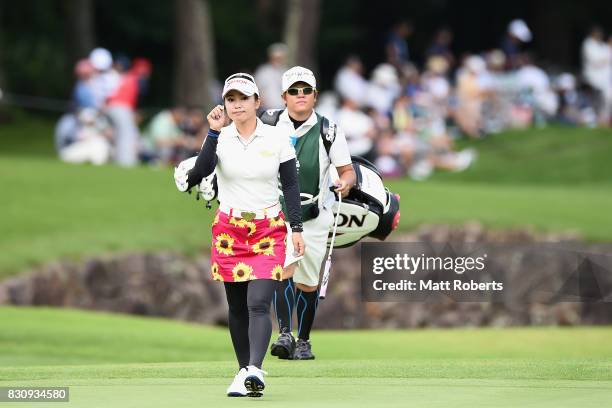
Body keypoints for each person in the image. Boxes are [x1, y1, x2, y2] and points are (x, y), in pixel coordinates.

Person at [174, 73, 305, 397]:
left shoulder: (276, 139)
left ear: (257, 102)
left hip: (268, 230)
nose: (236, 105)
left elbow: (290, 186)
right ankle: (243, 372)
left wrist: (297, 228)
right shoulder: (221, 137)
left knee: (258, 302)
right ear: (224, 104)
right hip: (230, 231)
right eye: (230, 99)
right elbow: (201, 171)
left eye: (243, 99)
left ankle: (255, 370)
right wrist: (213, 133)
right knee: (236, 307)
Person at [265, 66, 356, 360]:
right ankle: (284, 334)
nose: (300, 96)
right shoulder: (268, 123)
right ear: (284, 97)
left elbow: (347, 171)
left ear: (315, 96)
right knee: (283, 271)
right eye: (294, 91)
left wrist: (345, 183)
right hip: (275, 214)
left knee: (307, 283)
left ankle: (303, 340)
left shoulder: (329, 129)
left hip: (315, 215)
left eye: (306, 91)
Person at [255, 43, 288, 110]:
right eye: (276, 58)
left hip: (283, 109)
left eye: (280, 58)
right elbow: (256, 90)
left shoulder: (286, 72)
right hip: (265, 109)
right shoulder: (263, 71)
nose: (278, 60)